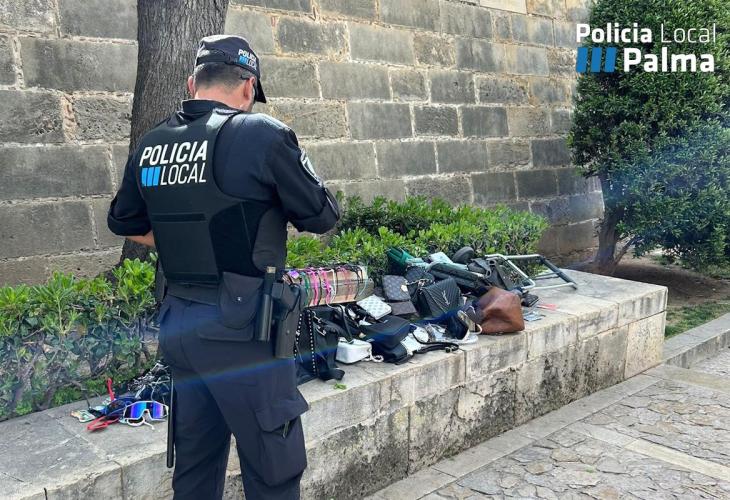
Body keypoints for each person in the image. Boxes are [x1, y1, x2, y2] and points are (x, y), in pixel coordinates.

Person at [107, 34, 340, 500]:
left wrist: (185, 238)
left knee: (195, 466)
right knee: (274, 471)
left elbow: (124, 222)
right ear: (249, 86)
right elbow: (321, 215)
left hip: (180, 326)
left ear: (192, 82)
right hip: (244, 333)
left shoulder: (152, 143)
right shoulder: (262, 134)